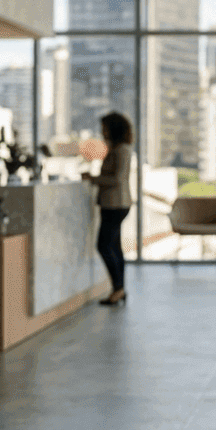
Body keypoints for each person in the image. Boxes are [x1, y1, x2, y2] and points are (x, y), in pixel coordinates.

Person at [84, 112, 134, 306]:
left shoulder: (121, 150)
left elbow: (117, 179)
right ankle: (119, 289)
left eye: (105, 127)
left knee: (103, 245)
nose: (102, 131)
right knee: (114, 247)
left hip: (115, 204)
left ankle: (118, 289)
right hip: (115, 203)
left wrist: (93, 179)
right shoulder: (118, 149)